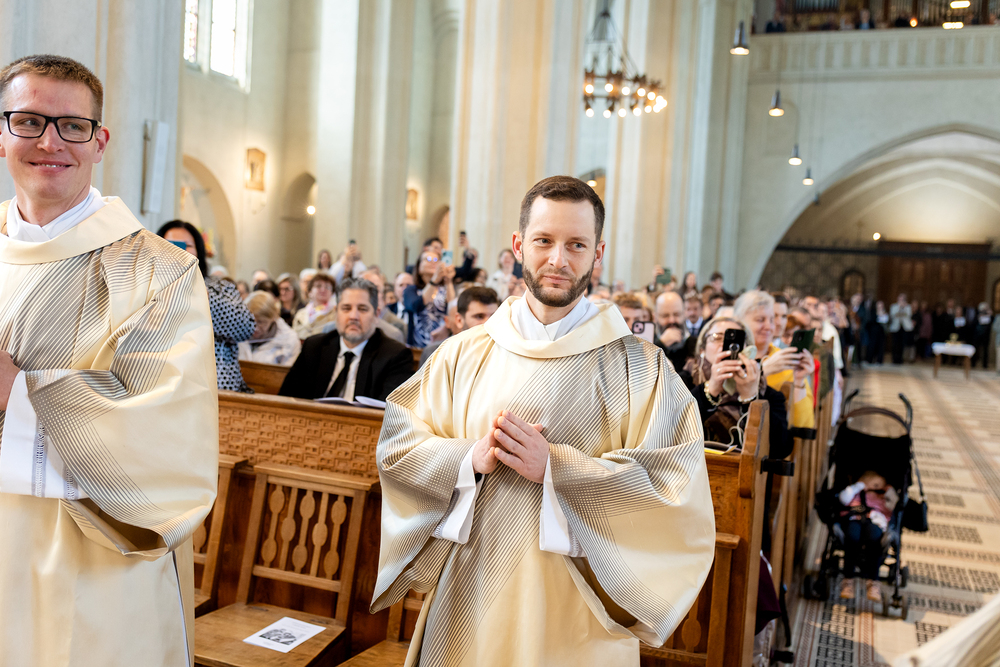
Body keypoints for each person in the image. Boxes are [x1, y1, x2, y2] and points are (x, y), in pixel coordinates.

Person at [371, 176, 714, 667]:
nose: (558, 259)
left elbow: (673, 489)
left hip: (577, 617)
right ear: (518, 246)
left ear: (597, 254)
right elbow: (399, 446)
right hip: (468, 598)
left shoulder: (642, 369)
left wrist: (556, 468)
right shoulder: (461, 354)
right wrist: (468, 458)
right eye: (544, 241)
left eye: (576, 244)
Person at [0, 54, 217, 665]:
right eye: (28, 121)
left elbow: (170, 437)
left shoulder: (158, 271)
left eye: (72, 126)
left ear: (99, 142)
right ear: (1, 134)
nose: (50, 142)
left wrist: (19, 392)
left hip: (95, 571)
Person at [279, 277, 413, 401]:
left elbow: (390, 412)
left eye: (362, 309)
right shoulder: (314, 347)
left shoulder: (395, 356)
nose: (353, 316)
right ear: (336, 312)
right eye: (346, 308)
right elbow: (286, 399)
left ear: (376, 315)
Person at [159, 220, 255, 392]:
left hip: (213, 385)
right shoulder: (149, 289)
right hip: (162, 382)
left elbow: (245, 328)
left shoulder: (220, 288)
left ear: (199, 251)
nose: (179, 250)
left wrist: (202, 295)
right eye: (170, 244)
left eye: (187, 245)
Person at [684, 317, 790, 456]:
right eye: (716, 338)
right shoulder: (683, 381)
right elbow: (671, 429)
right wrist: (711, 389)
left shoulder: (768, 394)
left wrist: (750, 397)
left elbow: (781, 450)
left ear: (747, 350)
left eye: (736, 341)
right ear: (702, 349)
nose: (725, 345)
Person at [734, 291, 815, 430]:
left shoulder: (786, 359)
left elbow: (804, 425)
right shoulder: (732, 358)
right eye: (760, 320)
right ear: (740, 322)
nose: (770, 326)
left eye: (771, 320)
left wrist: (799, 380)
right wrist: (763, 370)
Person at [837, 471, 898, 602]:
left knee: (874, 539)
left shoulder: (883, 497)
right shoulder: (856, 493)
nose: (876, 488)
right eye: (873, 484)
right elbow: (843, 498)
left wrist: (889, 491)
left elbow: (894, 505)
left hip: (875, 521)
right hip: (854, 518)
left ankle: (873, 581)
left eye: (879, 485)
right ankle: (848, 580)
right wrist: (858, 486)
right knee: (852, 537)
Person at [420, 286, 499, 366]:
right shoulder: (436, 354)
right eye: (479, 316)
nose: (488, 322)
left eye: (494, 316)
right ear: (459, 320)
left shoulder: (501, 354)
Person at [403, 246, 455, 348]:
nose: (433, 262)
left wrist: (448, 281)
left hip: (442, 345)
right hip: (417, 345)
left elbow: (452, 308)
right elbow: (416, 306)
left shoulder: (443, 290)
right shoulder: (411, 290)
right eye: (428, 259)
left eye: (436, 260)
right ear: (419, 267)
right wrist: (434, 280)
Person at [238, 291, 302, 366]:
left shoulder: (289, 341)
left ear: (272, 318)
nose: (255, 328)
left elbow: (287, 371)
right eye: (250, 321)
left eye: (260, 322)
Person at [292, 272, 337, 339]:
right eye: (318, 286)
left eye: (327, 287)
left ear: (332, 292)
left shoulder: (336, 314)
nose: (323, 290)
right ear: (310, 292)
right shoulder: (300, 314)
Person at [889, 293, 913, 364]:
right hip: (896, 327)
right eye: (900, 299)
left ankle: (900, 359)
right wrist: (899, 308)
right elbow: (893, 315)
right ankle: (894, 359)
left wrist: (904, 308)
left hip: (904, 328)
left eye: (903, 299)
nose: (901, 301)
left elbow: (908, 315)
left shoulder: (908, 307)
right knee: (895, 344)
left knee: (902, 344)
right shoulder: (894, 306)